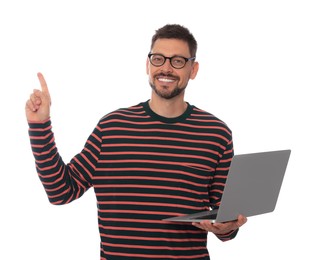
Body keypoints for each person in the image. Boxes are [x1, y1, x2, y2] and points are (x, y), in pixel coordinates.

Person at [26, 24, 247, 260]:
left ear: (193, 69)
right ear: (147, 65)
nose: (166, 68)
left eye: (178, 61)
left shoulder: (217, 133)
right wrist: (40, 126)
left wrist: (229, 227)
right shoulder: (111, 128)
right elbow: (60, 191)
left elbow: (223, 220)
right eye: (159, 58)